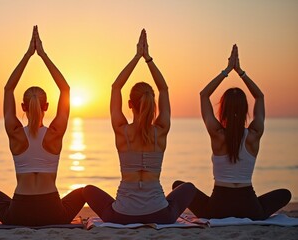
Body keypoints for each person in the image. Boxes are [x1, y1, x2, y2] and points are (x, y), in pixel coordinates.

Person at [82, 29, 196, 224]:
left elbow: (115, 87)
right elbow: (164, 89)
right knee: (189, 188)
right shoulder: (160, 131)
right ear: (153, 105)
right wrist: (148, 59)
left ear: (130, 105)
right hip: (161, 215)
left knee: (88, 190)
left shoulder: (121, 130)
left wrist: (136, 57)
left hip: (122, 216)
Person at [173, 45, 291, 220]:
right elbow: (260, 96)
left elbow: (204, 95)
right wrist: (241, 72)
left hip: (217, 209)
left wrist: (227, 70)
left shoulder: (217, 134)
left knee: (179, 185)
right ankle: (253, 208)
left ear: (223, 109)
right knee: (285, 194)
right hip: (250, 208)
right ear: (245, 109)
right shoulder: (254, 134)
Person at [0, 26, 85, 226]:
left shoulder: (14, 132)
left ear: (23, 106)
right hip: (53, 211)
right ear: (46, 106)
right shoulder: (55, 132)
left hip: (20, 212)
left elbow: (8, 88)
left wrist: (28, 55)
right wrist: (43, 55)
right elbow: (65, 88)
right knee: (83, 192)